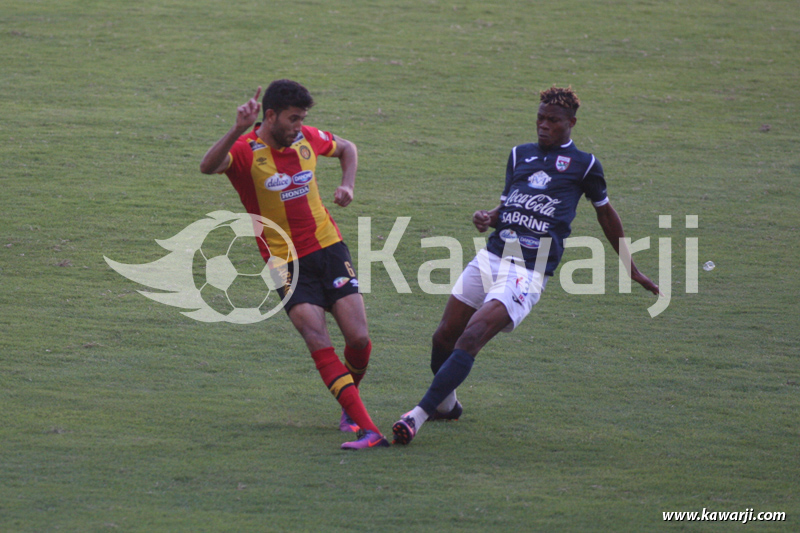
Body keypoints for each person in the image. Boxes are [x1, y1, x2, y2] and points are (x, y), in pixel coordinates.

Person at [392, 86, 660, 445]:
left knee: (472, 335)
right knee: (443, 337)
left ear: (571, 123)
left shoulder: (585, 165)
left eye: (553, 120)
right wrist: (490, 216)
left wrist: (630, 265)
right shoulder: (519, 155)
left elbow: (606, 214)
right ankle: (447, 405)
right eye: (539, 118)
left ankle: (417, 416)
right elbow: (510, 202)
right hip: (491, 256)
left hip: (528, 271)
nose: (543, 126)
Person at [200, 79, 388, 450]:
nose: (299, 127)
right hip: (285, 262)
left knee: (360, 339)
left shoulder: (307, 140)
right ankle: (368, 428)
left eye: (302, 119)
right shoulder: (244, 151)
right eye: (292, 119)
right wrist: (237, 127)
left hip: (330, 249)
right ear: (269, 116)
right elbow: (208, 166)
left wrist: (348, 185)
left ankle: (350, 407)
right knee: (317, 339)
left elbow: (348, 148)